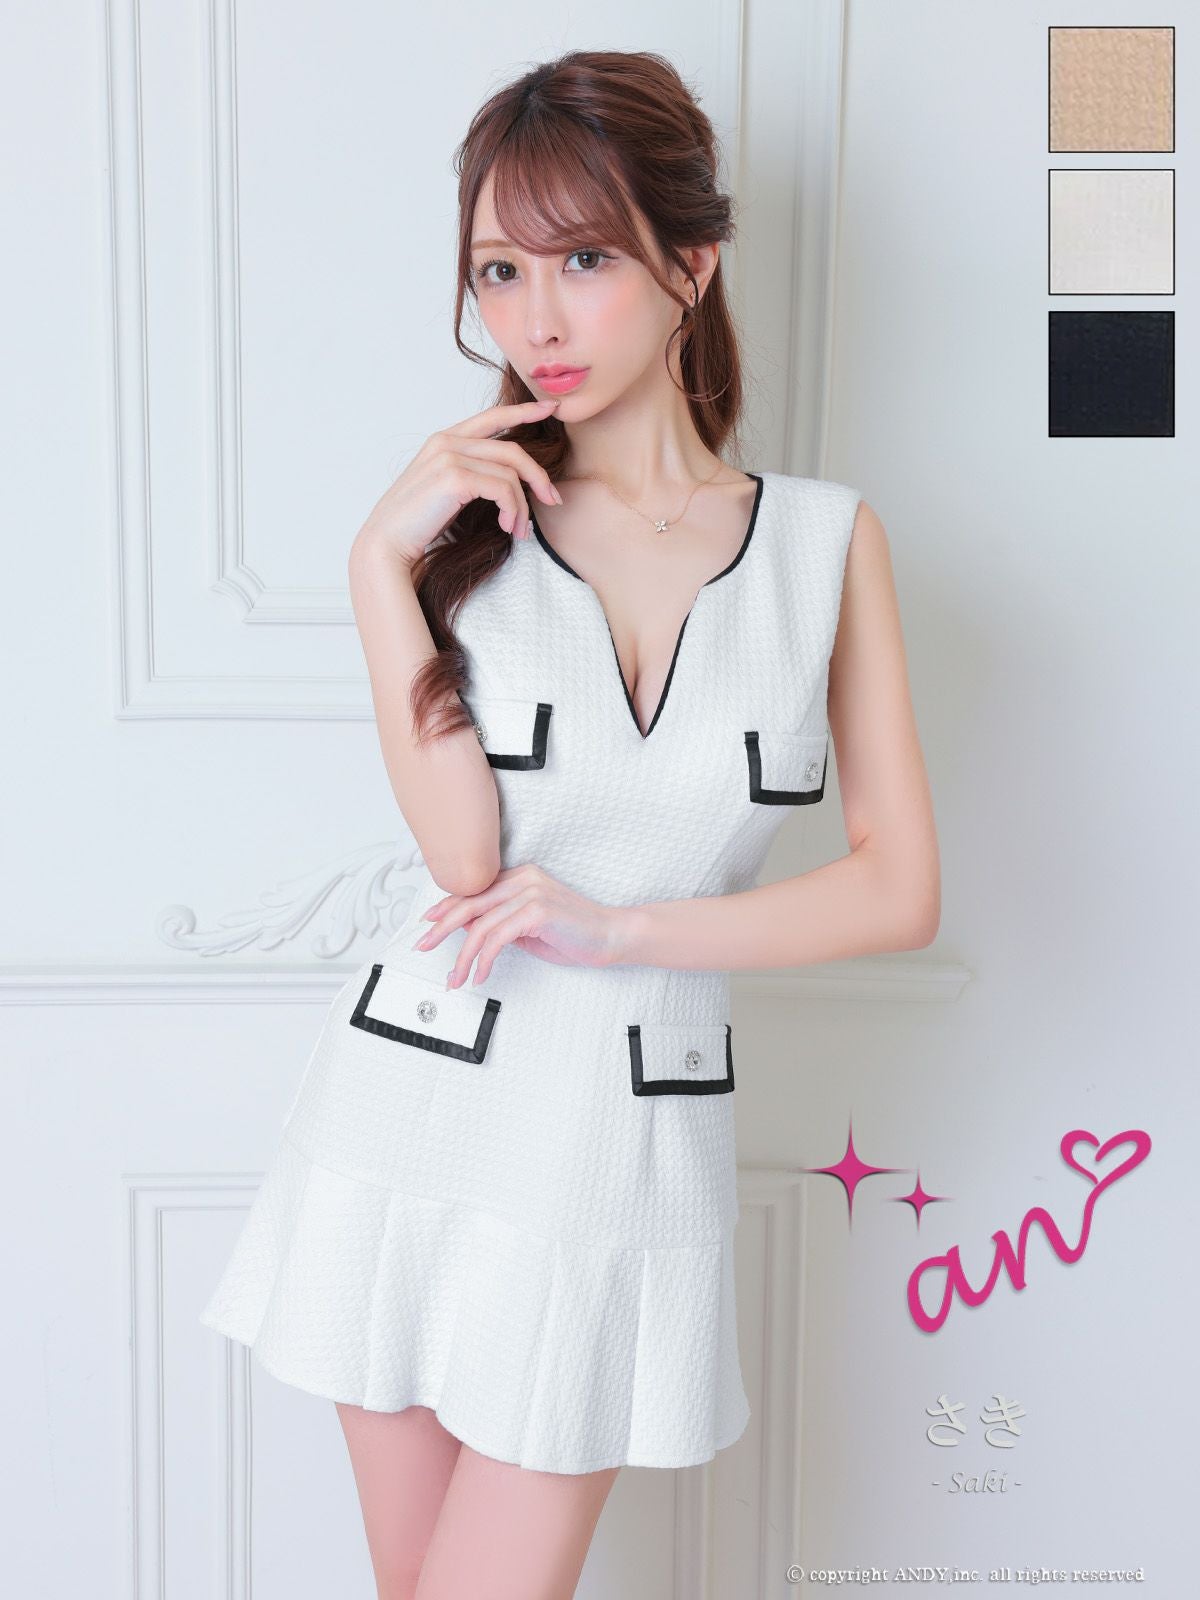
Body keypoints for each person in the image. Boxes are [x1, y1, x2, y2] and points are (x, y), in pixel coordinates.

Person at [199, 47, 939, 1600]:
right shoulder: (462, 531)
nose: (535, 320)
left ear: (692, 265)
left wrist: (624, 928)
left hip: (620, 1147)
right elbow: (466, 861)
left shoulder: (823, 548)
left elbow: (898, 890)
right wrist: (375, 571)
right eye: (500, 271)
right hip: (410, 1106)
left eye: (584, 260)